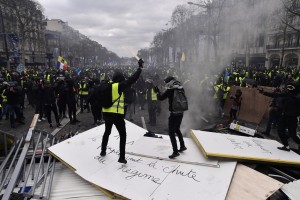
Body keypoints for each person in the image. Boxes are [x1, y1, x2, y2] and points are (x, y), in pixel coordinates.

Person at [100, 59, 144, 164]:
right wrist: (139, 68)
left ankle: (103, 151)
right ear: (120, 79)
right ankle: (121, 157)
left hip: (106, 113)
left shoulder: (106, 85)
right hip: (117, 114)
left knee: (107, 132)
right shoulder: (118, 86)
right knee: (123, 135)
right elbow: (132, 79)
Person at [259, 82, 300, 152]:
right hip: (284, 116)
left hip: (292, 118)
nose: (288, 89)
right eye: (288, 87)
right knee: (280, 131)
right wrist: (264, 93)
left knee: (293, 135)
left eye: (290, 88)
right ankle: (286, 146)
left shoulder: (298, 97)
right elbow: (276, 95)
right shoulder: (287, 94)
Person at [154, 76, 187, 159]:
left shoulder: (170, 89)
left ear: (169, 82)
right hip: (181, 112)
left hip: (174, 113)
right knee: (177, 129)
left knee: (171, 132)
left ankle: (175, 151)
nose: (165, 84)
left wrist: (157, 92)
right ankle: (182, 146)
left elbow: (161, 98)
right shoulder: (181, 87)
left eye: (166, 82)